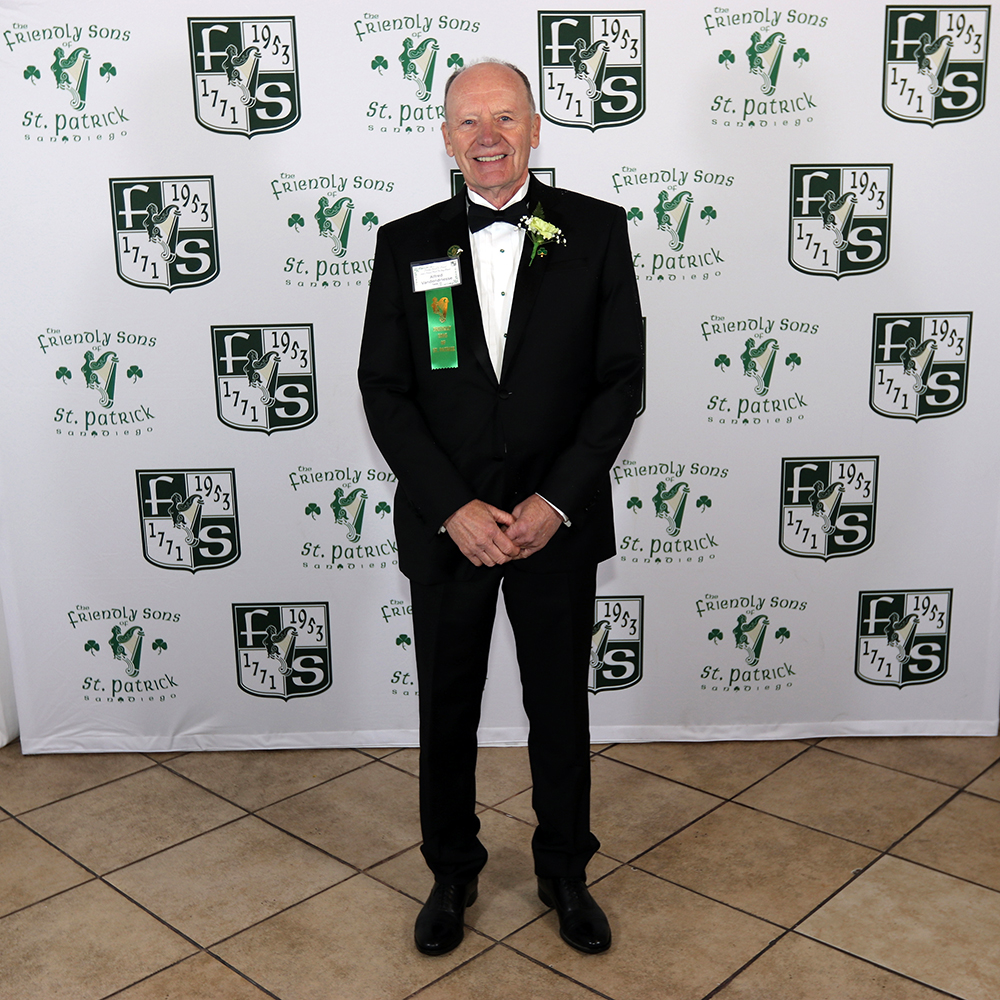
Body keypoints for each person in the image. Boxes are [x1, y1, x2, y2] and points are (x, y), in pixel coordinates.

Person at [358, 59, 643, 956]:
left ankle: (565, 870)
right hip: (450, 529)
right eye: (469, 121)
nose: (488, 136)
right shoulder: (405, 243)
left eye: (506, 117)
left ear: (535, 128)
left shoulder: (597, 231)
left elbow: (620, 382)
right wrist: (454, 507)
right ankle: (452, 869)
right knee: (447, 708)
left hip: (556, 523)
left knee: (559, 706)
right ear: (446, 137)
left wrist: (556, 500)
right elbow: (385, 389)